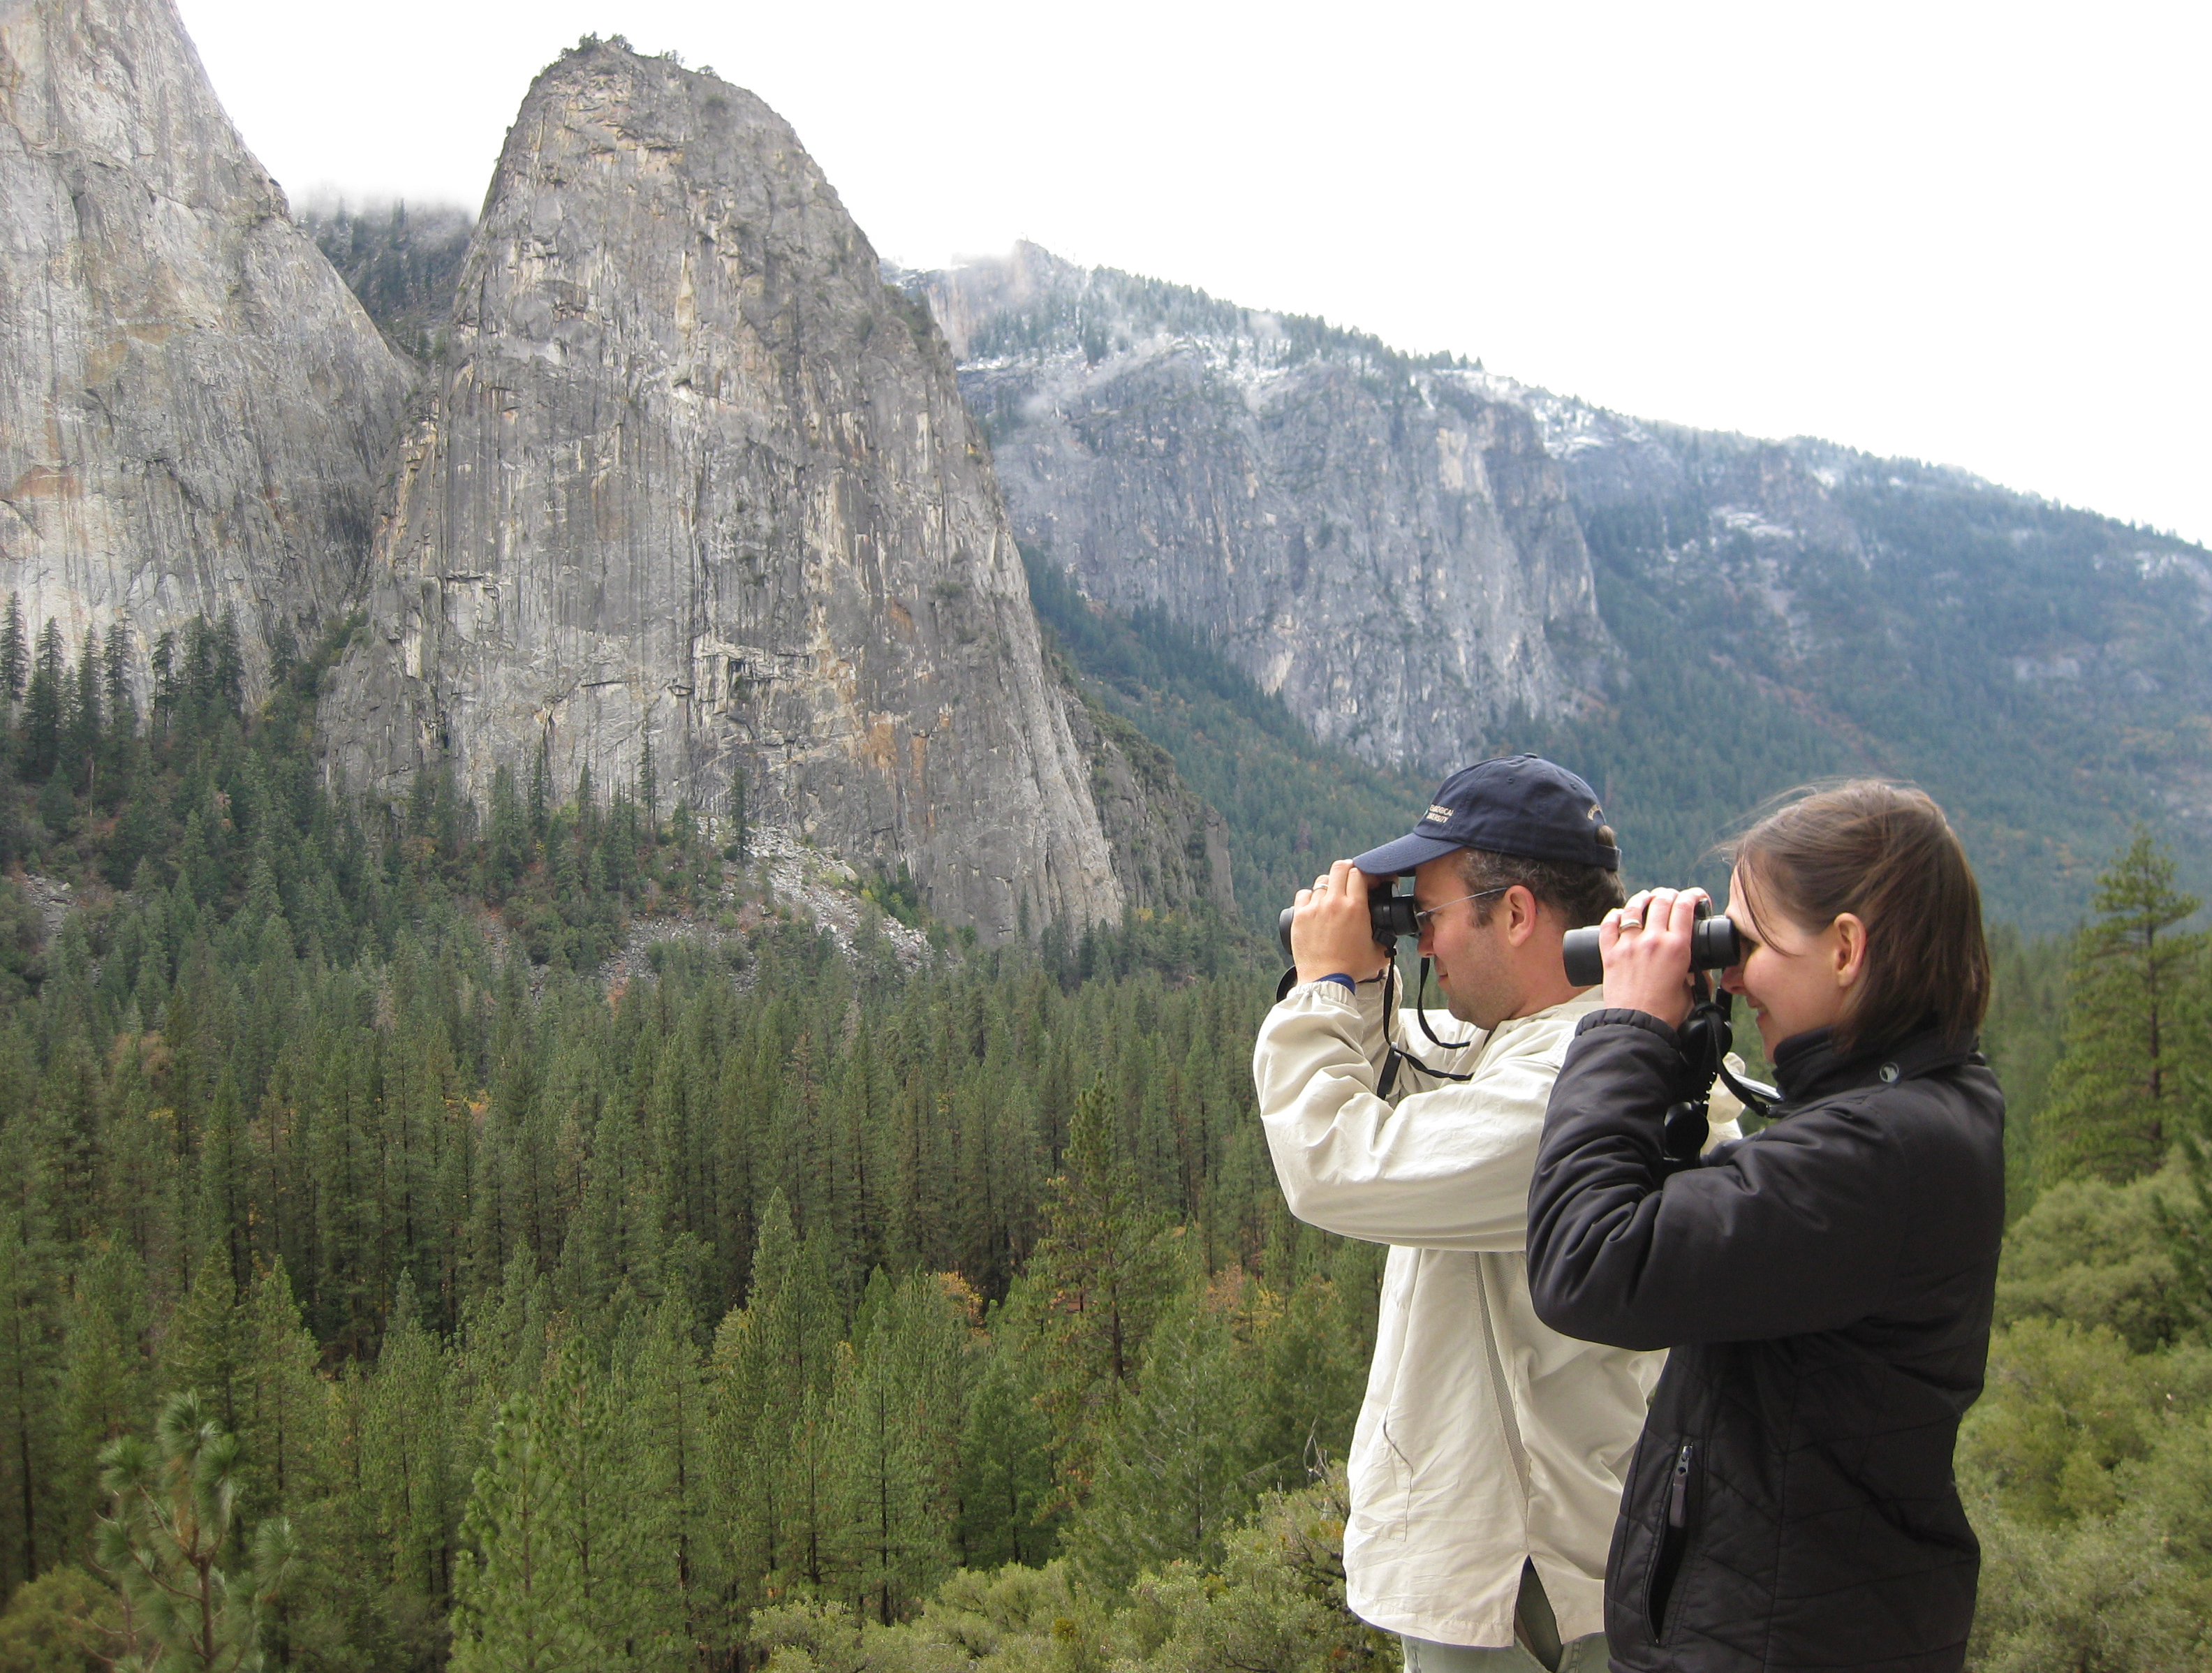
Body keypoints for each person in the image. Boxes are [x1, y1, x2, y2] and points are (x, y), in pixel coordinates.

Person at [1253, 754, 1739, 1673]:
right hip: (1530, 1565)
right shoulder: (1565, 1049)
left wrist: (1323, 988)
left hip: (1528, 1583)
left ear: (1516, 913)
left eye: (1428, 918)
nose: (1422, 946)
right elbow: (1410, 1077)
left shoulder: (1572, 1087)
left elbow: (1334, 1162)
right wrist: (1355, 979)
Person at [1525, 781, 2005, 1673]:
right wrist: (1676, 1050)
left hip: (1779, 1638)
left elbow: (1585, 1262)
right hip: (1816, 1615)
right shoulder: (1918, 1108)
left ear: (1847, 948)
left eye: (1751, 940)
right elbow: (1696, 1227)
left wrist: (1626, 1025)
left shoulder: (1874, 1155)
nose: (1735, 971)